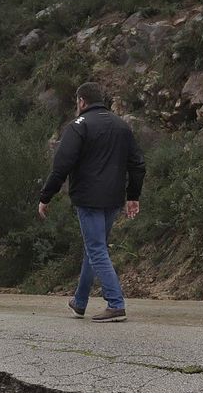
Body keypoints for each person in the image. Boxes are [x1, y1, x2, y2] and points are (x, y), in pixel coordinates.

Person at [37, 82, 146, 323]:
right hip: (113, 199)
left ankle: (116, 304)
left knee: (96, 249)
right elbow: (137, 164)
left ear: (81, 102)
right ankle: (80, 302)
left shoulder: (78, 126)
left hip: (88, 199)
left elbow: (61, 165)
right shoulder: (121, 126)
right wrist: (133, 196)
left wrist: (46, 196)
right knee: (93, 247)